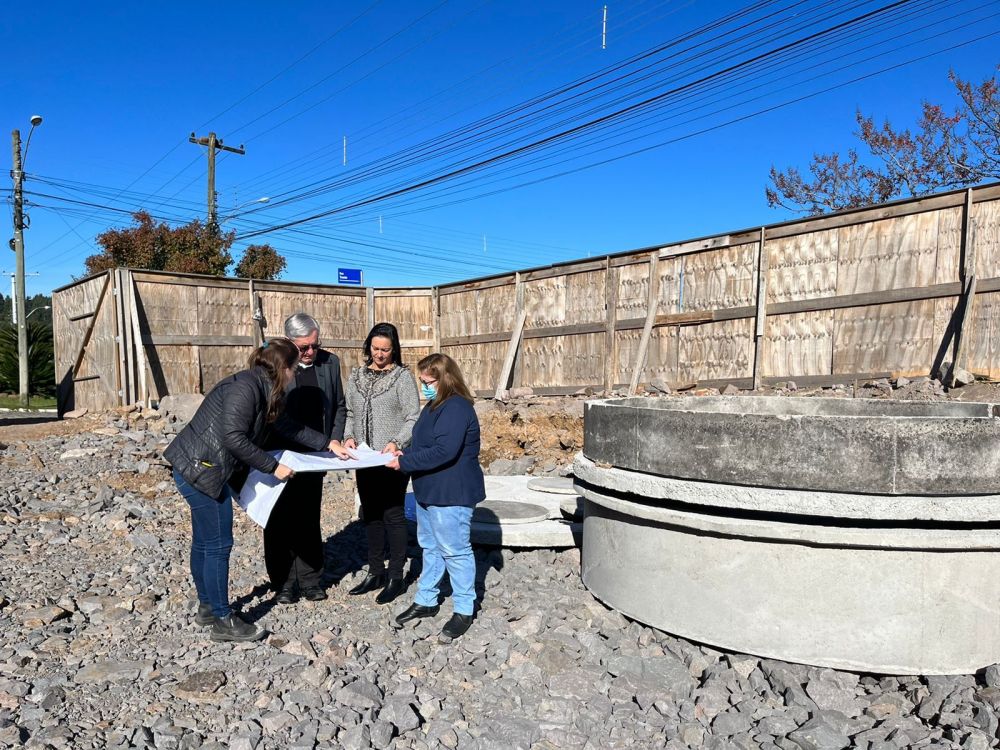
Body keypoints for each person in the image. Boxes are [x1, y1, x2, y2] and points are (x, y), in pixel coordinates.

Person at [164, 338, 343, 642]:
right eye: (294, 369)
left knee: (206, 542)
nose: (295, 375)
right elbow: (233, 437)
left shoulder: (266, 388)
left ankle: (208, 608)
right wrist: (273, 468)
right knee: (218, 543)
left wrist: (328, 444)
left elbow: (287, 427)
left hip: (203, 467)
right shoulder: (245, 388)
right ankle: (222, 619)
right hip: (201, 469)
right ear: (284, 368)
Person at [388, 353, 485, 642]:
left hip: (451, 493)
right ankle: (427, 599)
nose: (424, 387)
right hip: (429, 489)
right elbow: (425, 444)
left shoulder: (455, 408)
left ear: (445, 379)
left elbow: (445, 451)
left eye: (428, 381)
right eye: (422, 381)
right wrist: (405, 454)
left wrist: (403, 464)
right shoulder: (434, 406)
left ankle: (465, 608)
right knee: (430, 546)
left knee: (455, 549)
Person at [265, 313, 350, 605]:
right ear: (289, 343)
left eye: (315, 344)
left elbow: (339, 405)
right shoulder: (275, 364)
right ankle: (284, 582)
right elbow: (273, 416)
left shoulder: (330, 363)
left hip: (317, 456)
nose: (311, 351)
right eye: (304, 348)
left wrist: (334, 439)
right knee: (278, 519)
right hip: (280, 456)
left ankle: (312, 578)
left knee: (308, 517)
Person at [343, 323, 421, 604]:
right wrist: (349, 436)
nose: (379, 354)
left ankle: (396, 576)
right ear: (368, 347)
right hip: (364, 458)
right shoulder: (356, 376)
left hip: (390, 460)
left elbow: (413, 417)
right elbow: (350, 411)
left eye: (385, 350)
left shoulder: (402, 378)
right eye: (375, 348)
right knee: (371, 514)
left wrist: (397, 442)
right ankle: (375, 571)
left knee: (393, 515)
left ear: (394, 349)